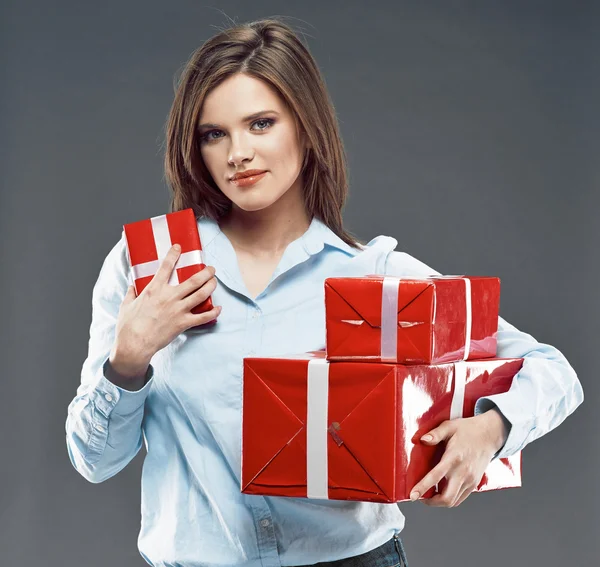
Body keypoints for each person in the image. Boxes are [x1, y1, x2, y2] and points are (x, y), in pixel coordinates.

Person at [65, 17, 584, 567]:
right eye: (214, 134)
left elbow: (552, 370)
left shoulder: (376, 276)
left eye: (261, 124)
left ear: (304, 126)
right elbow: (94, 461)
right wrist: (127, 361)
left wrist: (491, 427)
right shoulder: (150, 265)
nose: (237, 152)